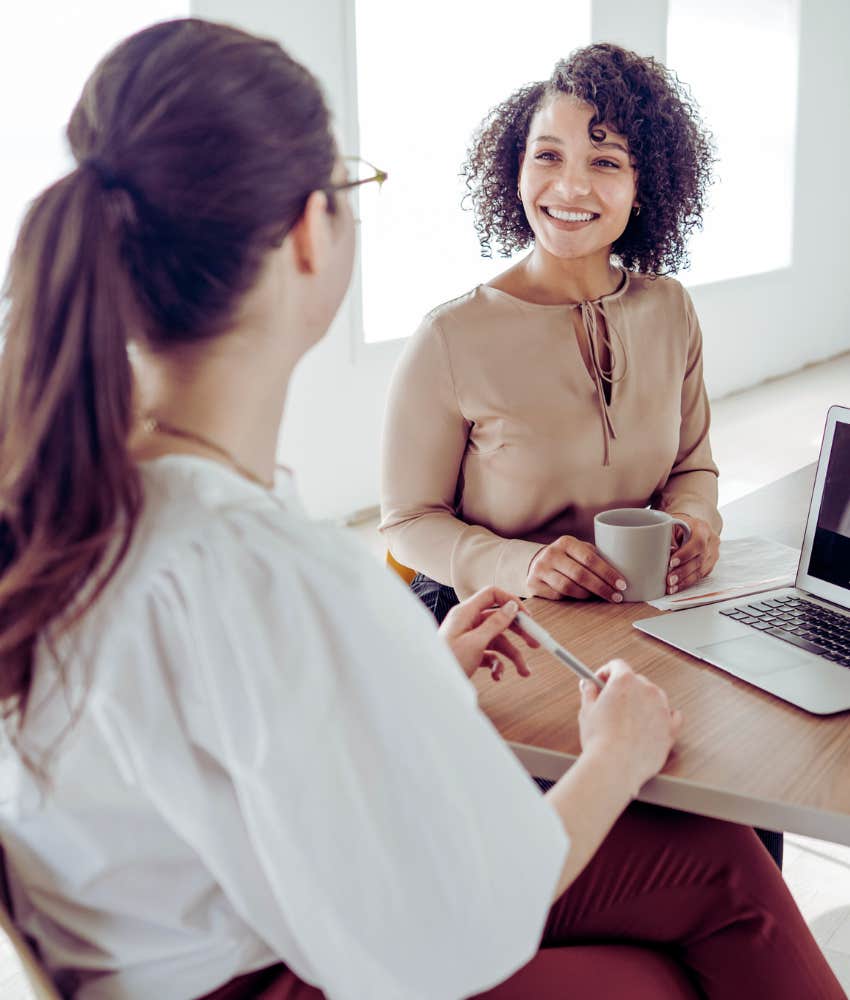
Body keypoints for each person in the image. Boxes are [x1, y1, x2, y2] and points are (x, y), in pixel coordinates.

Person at [0, 18, 841, 1000]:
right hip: (291, 968)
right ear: (312, 231)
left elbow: (242, 743)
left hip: (247, 924)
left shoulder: (77, 499)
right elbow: (451, 928)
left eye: (603, 161)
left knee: (720, 866)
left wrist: (417, 684)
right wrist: (615, 756)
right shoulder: (263, 562)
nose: (570, 185)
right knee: (681, 955)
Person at [380, 44, 723, 626]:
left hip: (625, 609)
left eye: (605, 162)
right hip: (483, 618)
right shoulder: (450, 336)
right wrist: (525, 564)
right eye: (548, 155)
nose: (569, 188)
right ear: (517, 170)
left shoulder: (670, 309)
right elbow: (408, 523)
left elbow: (692, 467)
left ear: (644, 187)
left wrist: (697, 524)